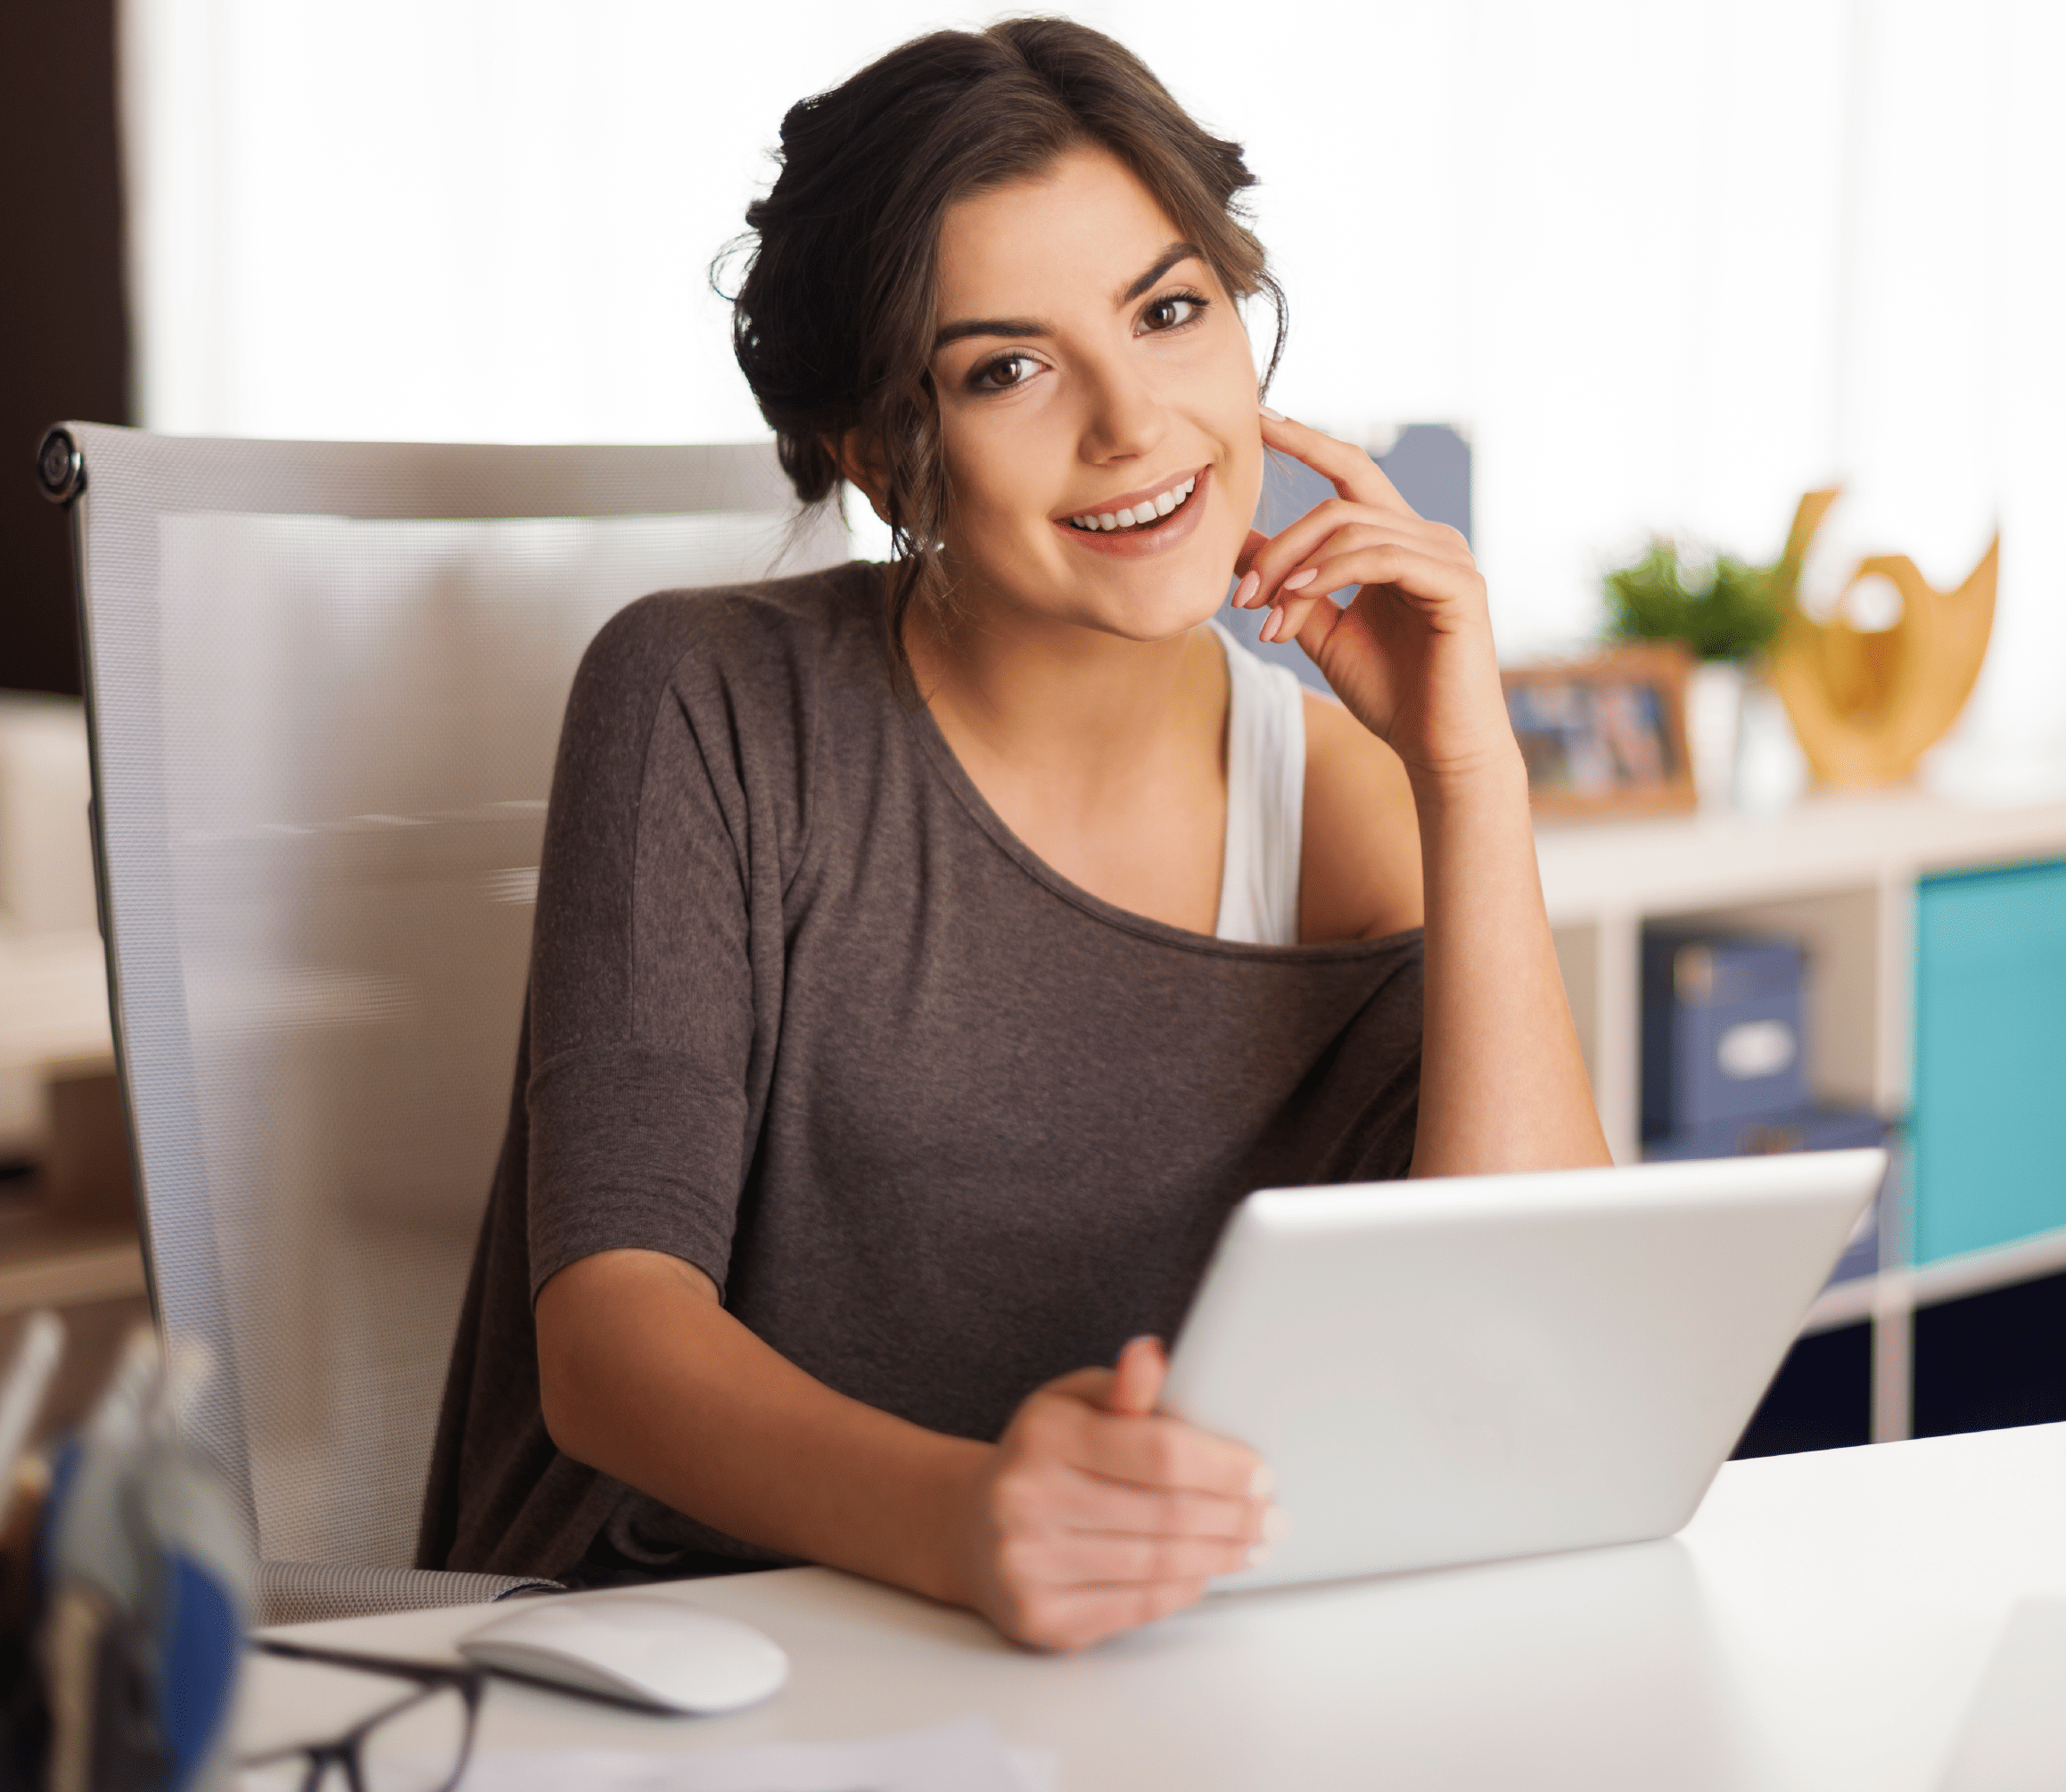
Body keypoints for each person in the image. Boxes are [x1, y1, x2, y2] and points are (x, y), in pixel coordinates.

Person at [419, 17, 1609, 1654]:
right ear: (880, 454)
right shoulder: (706, 699)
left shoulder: (1343, 805)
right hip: (677, 1651)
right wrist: (968, 1519)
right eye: (1009, 367)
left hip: (1132, 1666)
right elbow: (611, 1343)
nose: (1134, 424)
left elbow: (1534, 1347)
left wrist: (1470, 781)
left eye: (1171, 311)